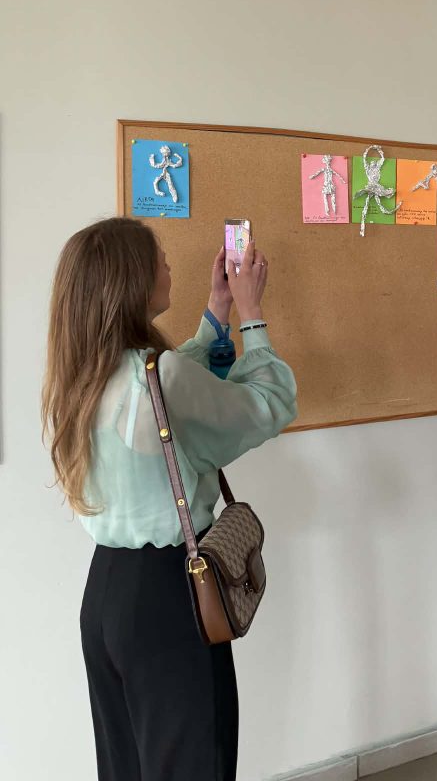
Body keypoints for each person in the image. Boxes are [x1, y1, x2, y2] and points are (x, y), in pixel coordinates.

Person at [42, 217, 298, 781]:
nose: (168, 265)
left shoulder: (85, 376)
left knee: (128, 767)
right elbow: (271, 403)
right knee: (194, 765)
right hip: (170, 598)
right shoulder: (158, 377)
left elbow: (165, 386)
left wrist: (216, 312)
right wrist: (252, 314)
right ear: (131, 280)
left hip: (106, 597)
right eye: (158, 257)